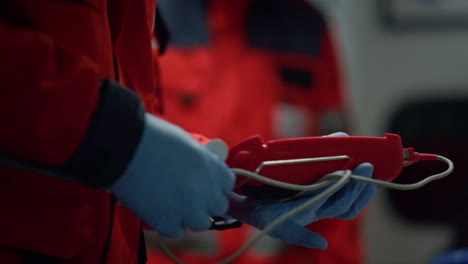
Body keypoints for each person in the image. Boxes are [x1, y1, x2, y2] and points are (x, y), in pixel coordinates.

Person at [0, 1, 376, 263]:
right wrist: (115, 135)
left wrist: (229, 189)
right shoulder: (164, 15)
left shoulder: (303, 27)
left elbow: (142, 155)